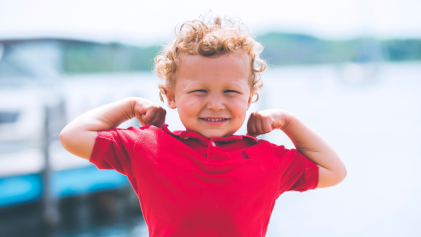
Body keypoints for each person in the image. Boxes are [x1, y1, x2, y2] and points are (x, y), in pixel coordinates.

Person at [60, 16, 347, 236]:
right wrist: (130, 106)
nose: (216, 104)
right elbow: (72, 136)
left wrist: (288, 121)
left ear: (250, 99)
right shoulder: (146, 145)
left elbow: (335, 172)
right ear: (171, 96)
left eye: (231, 92)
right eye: (199, 91)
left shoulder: (268, 157)